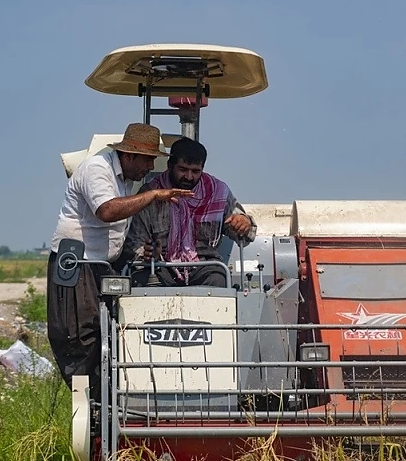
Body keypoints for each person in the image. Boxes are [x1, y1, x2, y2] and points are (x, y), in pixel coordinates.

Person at [46, 122, 193, 400]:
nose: (150, 168)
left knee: (107, 332)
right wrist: (151, 195)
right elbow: (107, 211)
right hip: (78, 264)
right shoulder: (96, 169)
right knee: (79, 335)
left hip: (102, 264)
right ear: (129, 155)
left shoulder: (126, 179)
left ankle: (108, 400)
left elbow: (119, 228)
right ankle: (90, 403)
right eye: (148, 160)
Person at [122, 136, 256, 288]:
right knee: (143, 281)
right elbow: (134, 243)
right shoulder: (150, 193)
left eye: (195, 171)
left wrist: (244, 223)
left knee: (218, 280)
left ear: (203, 169)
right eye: (183, 169)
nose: (189, 176)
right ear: (169, 165)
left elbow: (244, 235)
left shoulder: (218, 192)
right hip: (161, 266)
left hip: (205, 267)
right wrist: (149, 254)